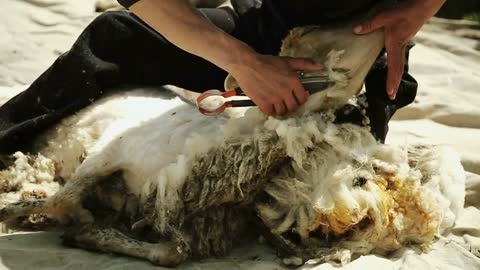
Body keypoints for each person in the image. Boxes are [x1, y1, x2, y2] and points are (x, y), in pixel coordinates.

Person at [0, 0, 446, 155]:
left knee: (321, 172)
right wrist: (246, 63)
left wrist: (419, 8)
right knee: (112, 35)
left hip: (357, 53)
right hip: (267, 27)